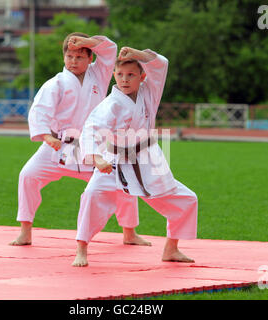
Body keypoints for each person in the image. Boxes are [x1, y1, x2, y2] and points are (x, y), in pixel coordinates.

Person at [9, 33, 149, 247]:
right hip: (59, 145)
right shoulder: (55, 83)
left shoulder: (100, 75)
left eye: (80, 57)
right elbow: (40, 111)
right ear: (64, 58)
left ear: (90, 58)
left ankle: (129, 232)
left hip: (93, 146)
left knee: (123, 182)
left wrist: (86, 42)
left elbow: (110, 48)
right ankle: (25, 231)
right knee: (27, 176)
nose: (74, 61)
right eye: (70, 56)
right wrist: (46, 136)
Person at [72, 46, 198, 267]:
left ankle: (171, 249)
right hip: (114, 160)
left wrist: (139, 55)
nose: (125, 80)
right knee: (91, 195)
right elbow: (91, 128)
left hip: (148, 158)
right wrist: (96, 158)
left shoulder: (150, 91)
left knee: (187, 200)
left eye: (131, 75)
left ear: (142, 76)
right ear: (114, 76)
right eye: (120, 75)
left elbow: (162, 63)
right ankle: (81, 249)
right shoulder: (111, 104)